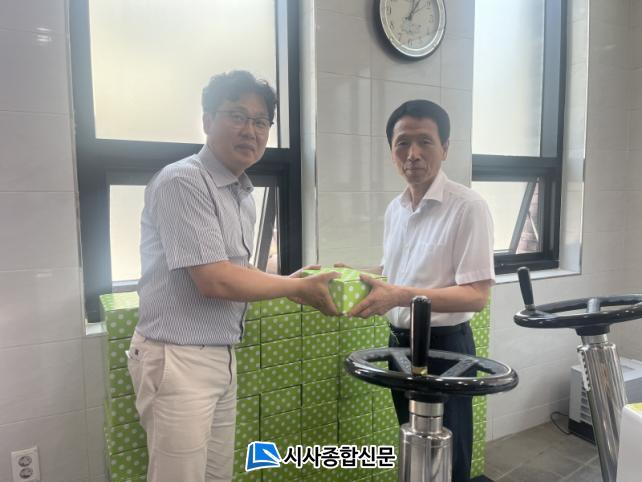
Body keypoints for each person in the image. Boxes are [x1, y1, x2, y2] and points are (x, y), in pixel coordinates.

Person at [127, 70, 338, 482]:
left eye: (261, 122)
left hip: (219, 356)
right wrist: (295, 287)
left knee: (216, 475)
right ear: (207, 120)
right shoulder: (183, 181)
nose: (250, 131)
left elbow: (236, 271)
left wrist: (292, 280)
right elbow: (214, 280)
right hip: (178, 358)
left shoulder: (241, 192)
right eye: (237, 116)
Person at [347, 100, 495, 482]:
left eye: (425, 141)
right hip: (400, 345)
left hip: (445, 347)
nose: (412, 153)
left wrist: (398, 296)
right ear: (391, 151)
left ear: (445, 147)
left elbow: (476, 295)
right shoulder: (395, 209)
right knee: (414, 443)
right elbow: (393, 272)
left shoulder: (468, 207)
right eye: (402, 143)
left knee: (449, 451)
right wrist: (344, 273)